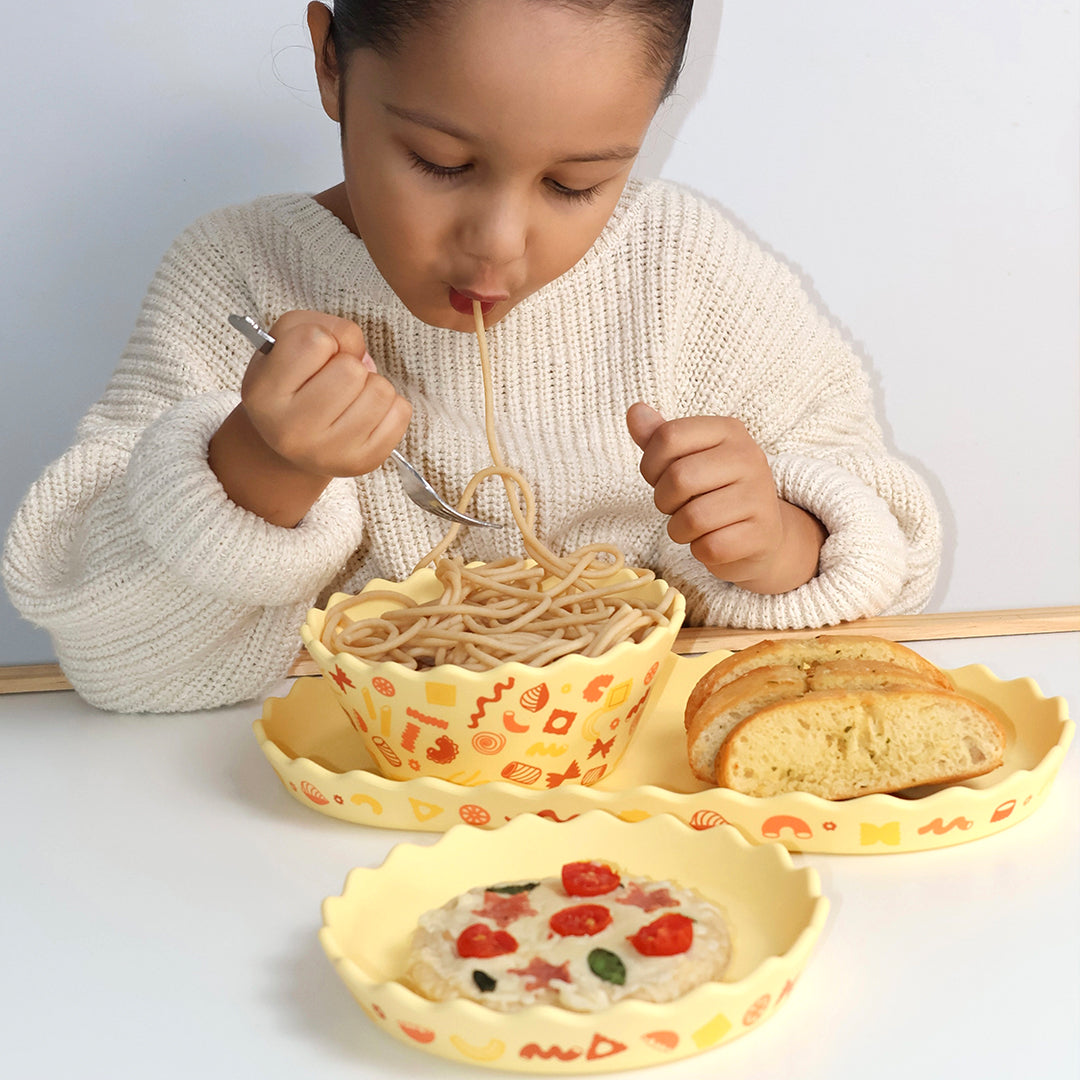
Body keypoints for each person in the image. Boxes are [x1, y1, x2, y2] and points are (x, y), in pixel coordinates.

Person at [2, 0, 940, 713]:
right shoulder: (237, 278)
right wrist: (258, 467)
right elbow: (118, 662)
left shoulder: (686, 273)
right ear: (331, 63)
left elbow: (887, 560)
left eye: (575, 183)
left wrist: (780, 542)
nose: (498, 244)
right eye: (442, 164)